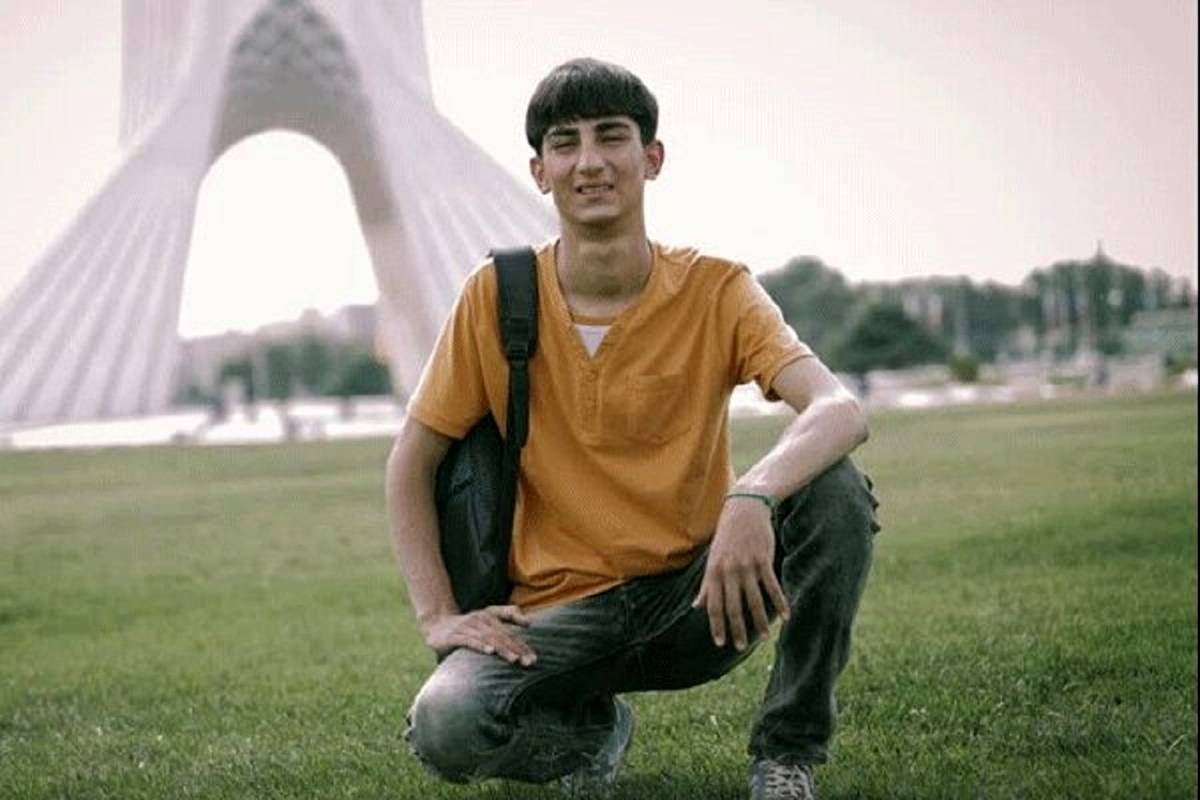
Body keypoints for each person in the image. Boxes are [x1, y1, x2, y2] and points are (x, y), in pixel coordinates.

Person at [386, 57, 879, 800]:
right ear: (540, 171)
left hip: (701, 600)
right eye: (565, 143)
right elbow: (411, 461)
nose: (589, 161)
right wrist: (437, 616)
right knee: (444, 725)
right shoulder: (495, 296)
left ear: (652, 158)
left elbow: (838, 408)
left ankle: (788, 753)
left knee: (834, 488)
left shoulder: (717, 288)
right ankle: (590, 732)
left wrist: (752, 495)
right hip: (554, 615)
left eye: (611, 136)